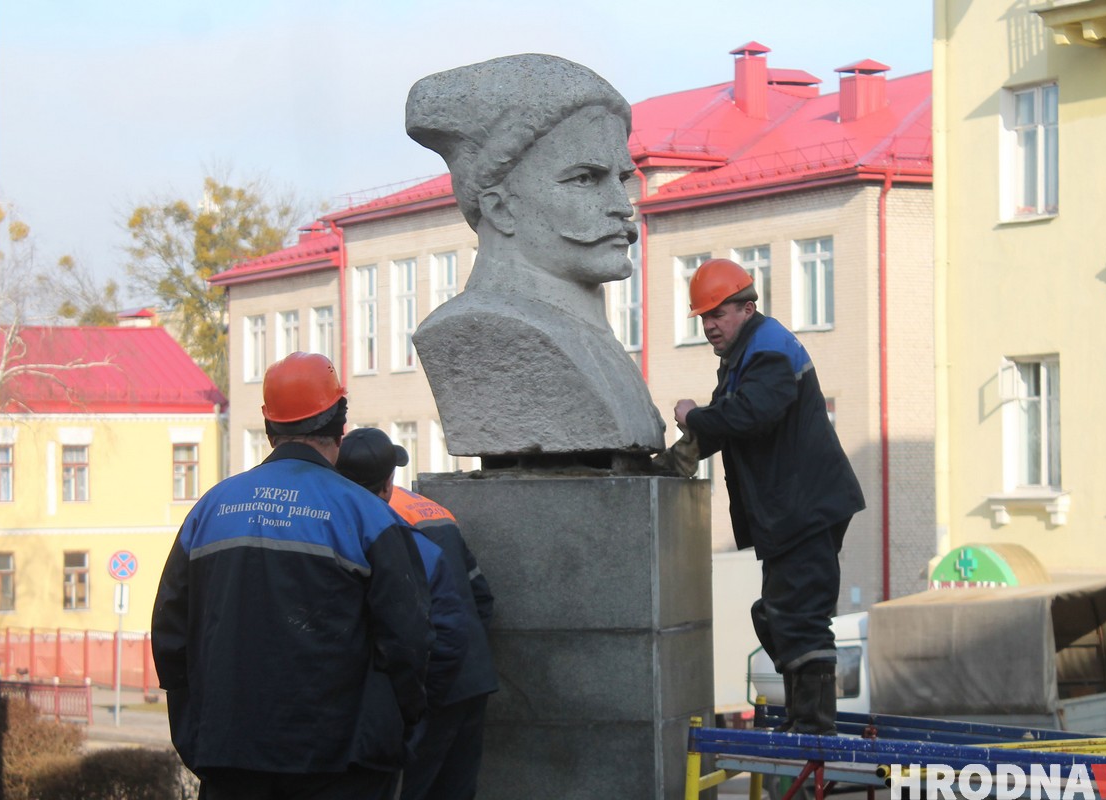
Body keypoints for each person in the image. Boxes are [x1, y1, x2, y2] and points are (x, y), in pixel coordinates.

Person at [151, 352, 434, 799]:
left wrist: (196, 732)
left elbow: (170, 636)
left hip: (228, 754)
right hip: (338, 761)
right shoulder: (369, 516)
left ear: (268, 426)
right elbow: (408, 639)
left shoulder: (210, 509)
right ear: (341, 424)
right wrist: (394, 729)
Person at [404, 54, 665, 459]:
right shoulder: (481, 333)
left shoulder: (596, 337)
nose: (622, 205)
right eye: (585, 178)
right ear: (499, 208)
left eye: (623, 179)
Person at [671, 259, 866, 735]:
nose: (709, 326)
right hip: (789, 512)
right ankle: (805, 716)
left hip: (805, 508)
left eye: (718, 314)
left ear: (748, 307)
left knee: (799, 616)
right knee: (779, 614)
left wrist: (692, 417)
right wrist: (675, 458)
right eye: (703, 318)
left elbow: (749, 416)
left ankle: (813, 725)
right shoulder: (744, 357)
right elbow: (729, 419)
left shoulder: (769, 350)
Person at [336, 427, 498, 800]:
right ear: (389, 478)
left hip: (425, 689)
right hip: (472, 679)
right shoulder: (433, 511)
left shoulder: (366, 525)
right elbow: (481, 597)